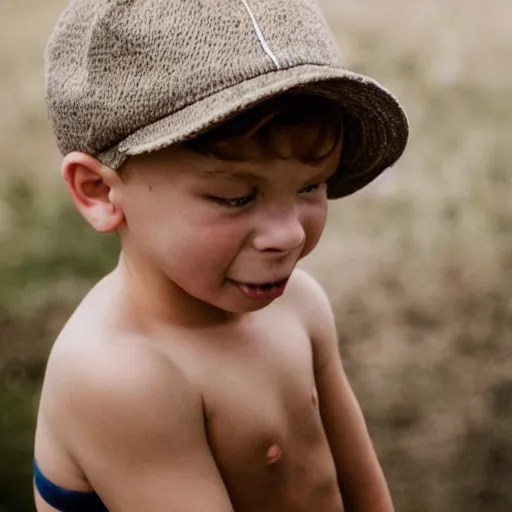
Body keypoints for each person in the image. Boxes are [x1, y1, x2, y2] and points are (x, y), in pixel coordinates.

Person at [33, 0, 409, 510]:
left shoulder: (300, 304)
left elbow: (366, 494)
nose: (289, 235)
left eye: (311, 185)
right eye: (236, 197)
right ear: (100, 191)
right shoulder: (120, 375)